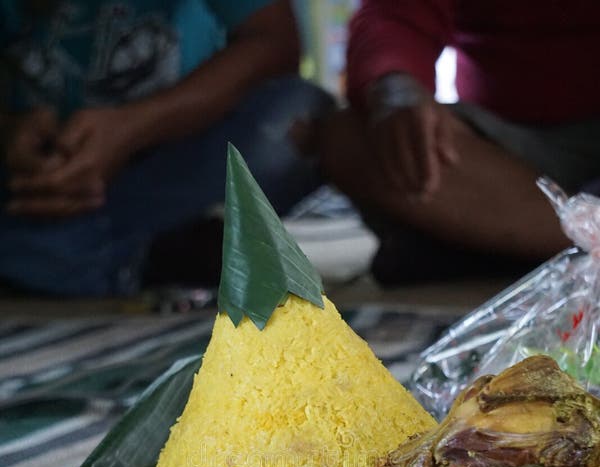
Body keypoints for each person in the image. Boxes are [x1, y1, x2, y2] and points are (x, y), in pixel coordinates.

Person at [0, 0, 334, 297]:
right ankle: (139, 257)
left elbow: (273, 42)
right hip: (30, 187)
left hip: (169, 167)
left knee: (295, 120)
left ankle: (61, 258)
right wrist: (11, 131)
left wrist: (131, 129)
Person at [318, 1, 600, 285]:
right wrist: (397, 88)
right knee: (348, 138)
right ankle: (576, 239)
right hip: (494, 150)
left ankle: (486, 247)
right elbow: (394, 13)